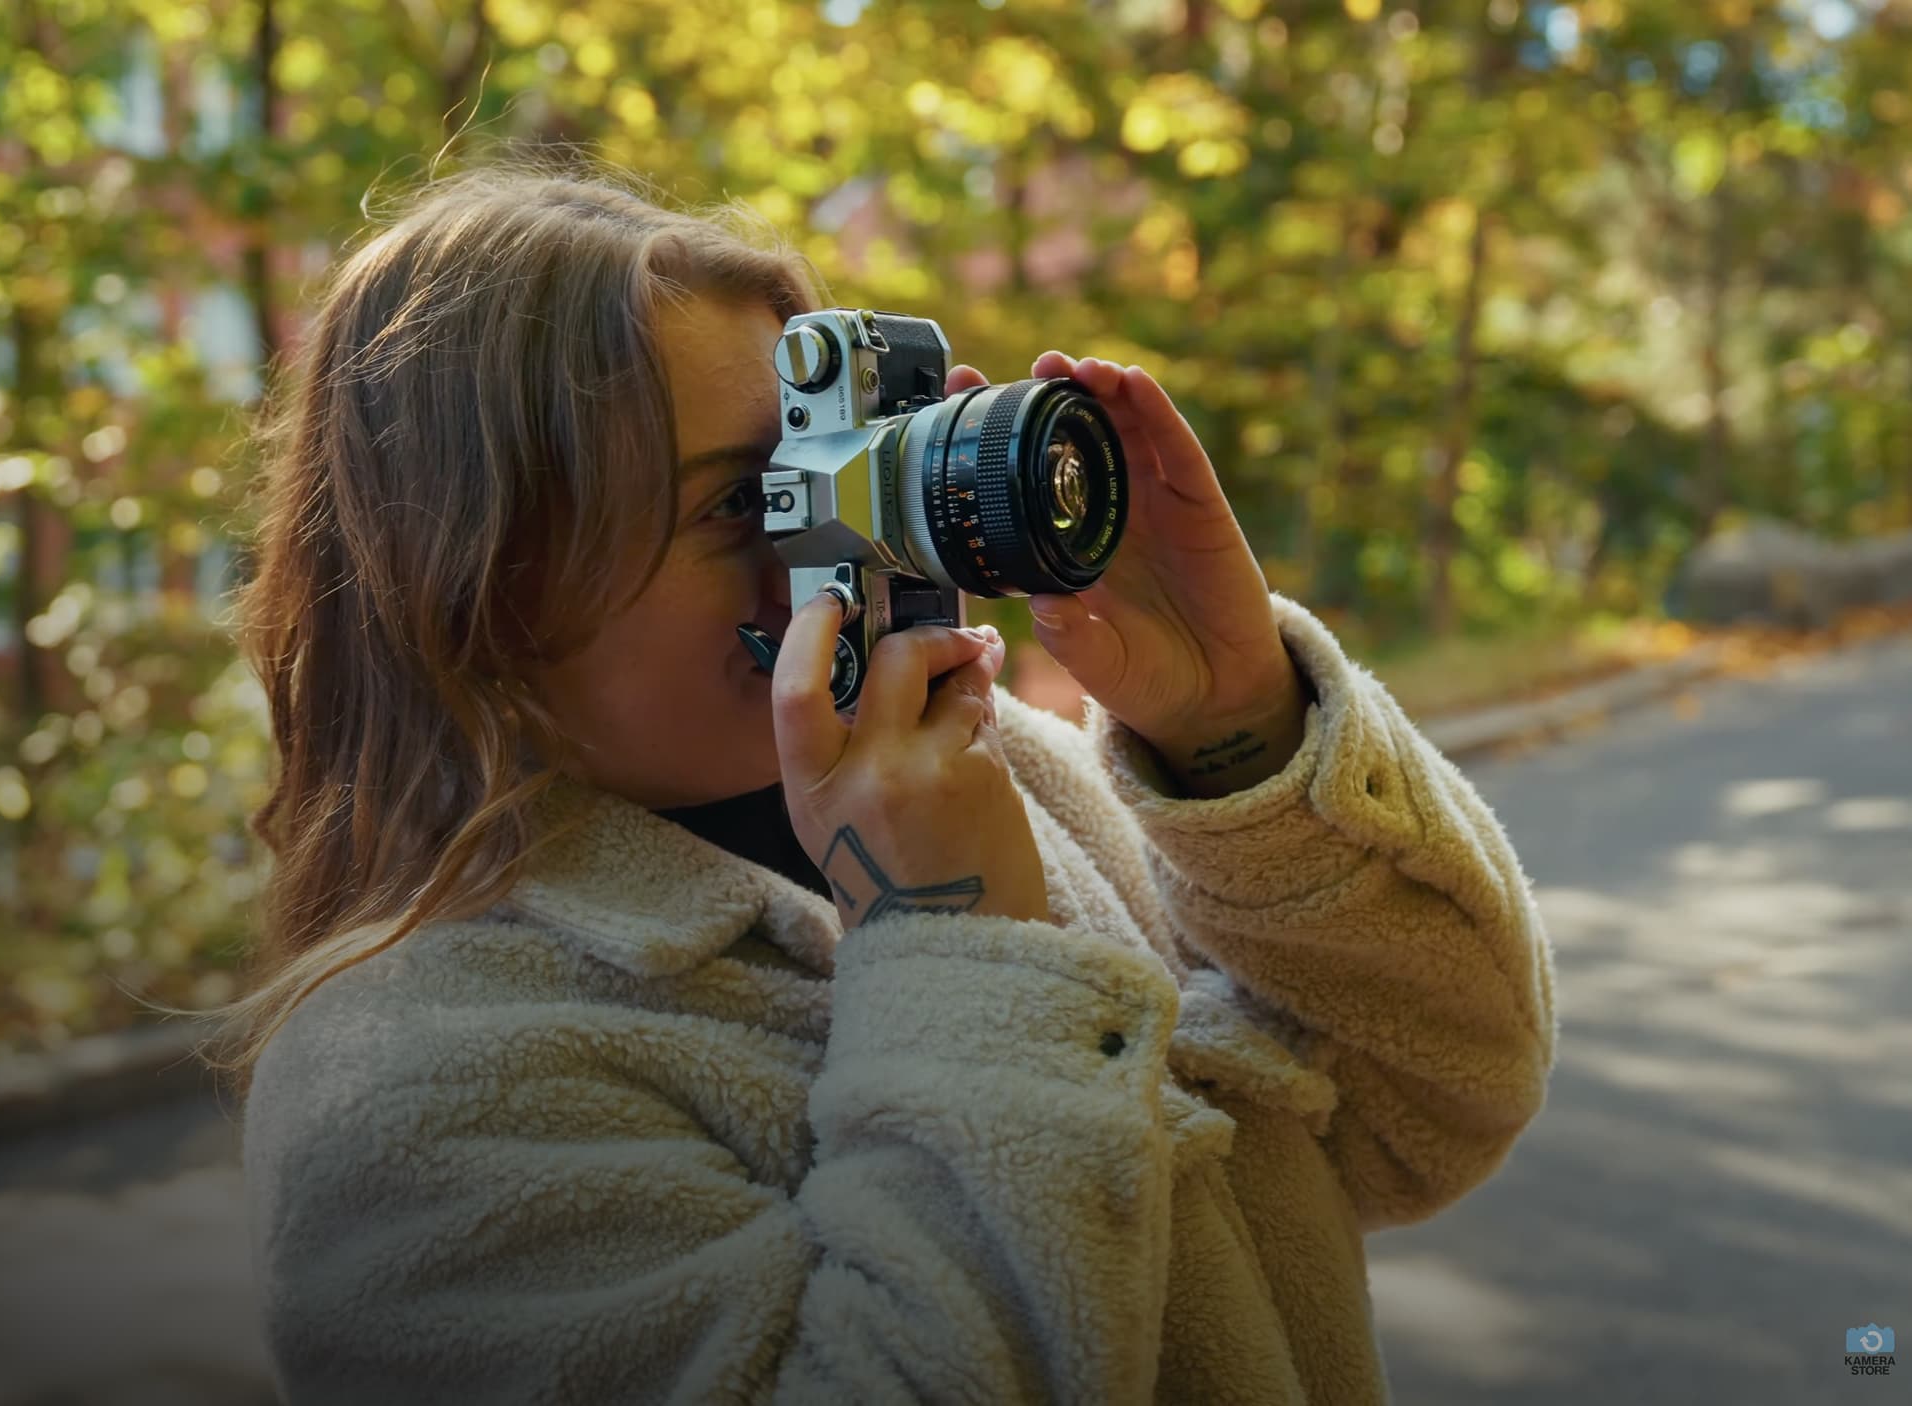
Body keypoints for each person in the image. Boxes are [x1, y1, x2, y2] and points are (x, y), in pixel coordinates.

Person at [217, 162, 1557, 1404]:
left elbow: (1421, 1106)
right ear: (478, 598)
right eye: (748, 504)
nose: (833, 545)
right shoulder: (415, 1099)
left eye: (835, 467)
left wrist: (1236, 731)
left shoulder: (999, 778)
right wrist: (950, 940)